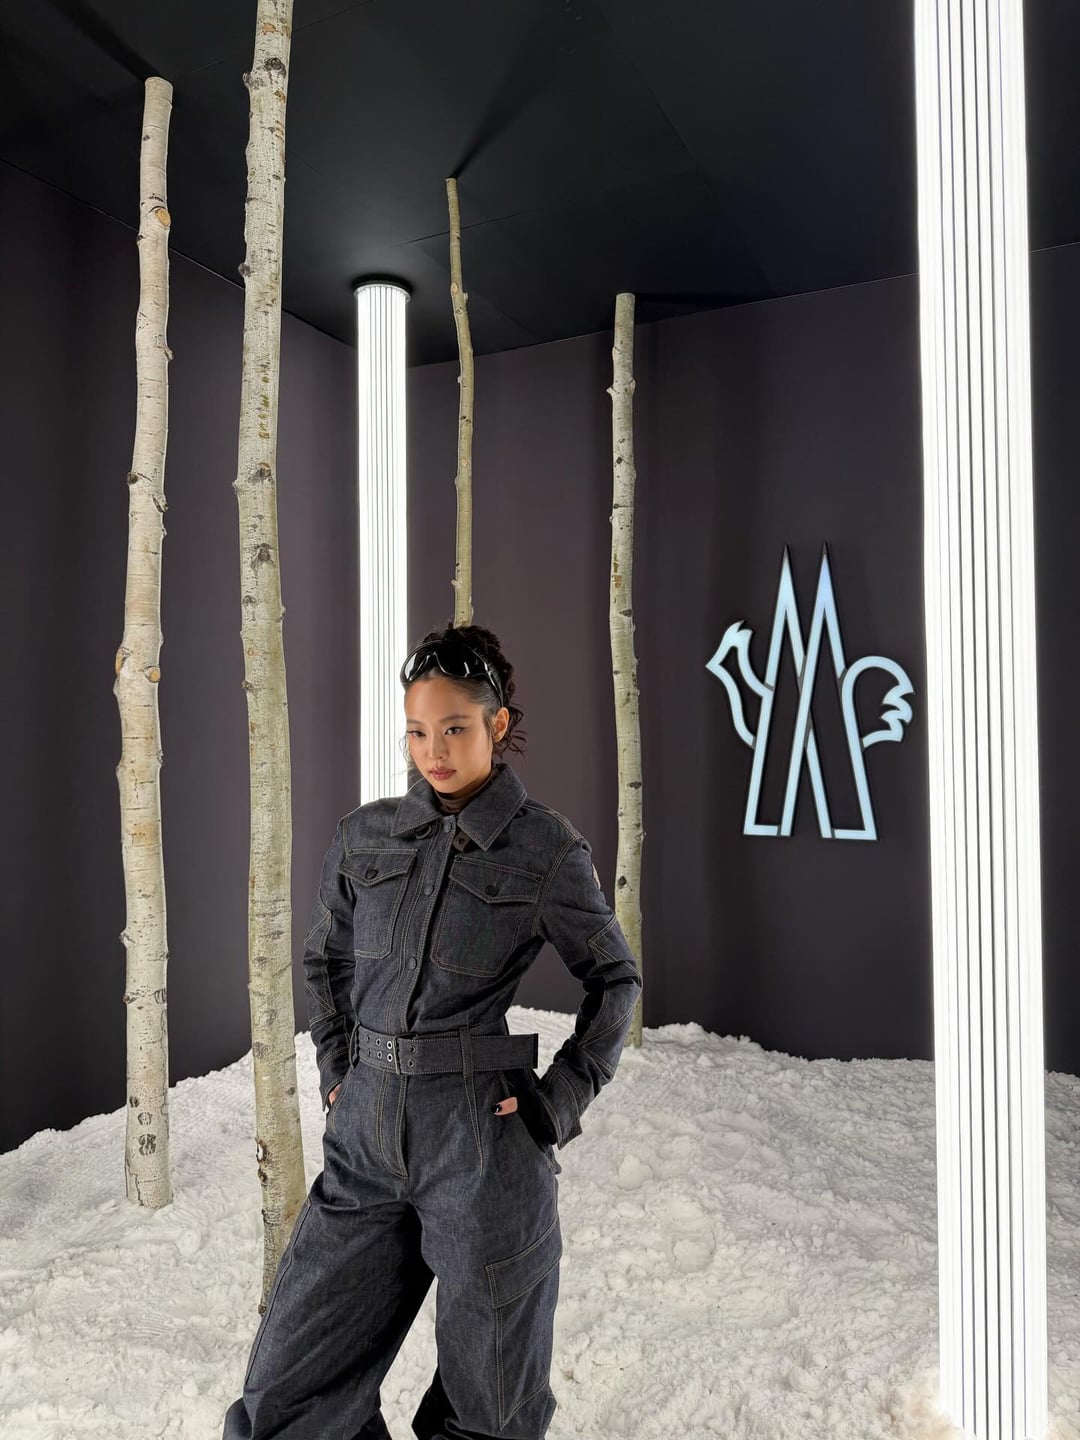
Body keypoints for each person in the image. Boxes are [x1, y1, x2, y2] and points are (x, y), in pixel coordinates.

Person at [222, 622, 643, 1440]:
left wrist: (557, 1102)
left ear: (497, 724)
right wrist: (340, 1075)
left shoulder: (546, 849)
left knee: (489, 1408)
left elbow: (614, 979)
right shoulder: (365, 835)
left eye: (454, 728)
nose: (433, 751)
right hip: (366, 1136)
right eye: (417, 731)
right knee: (286, 1396)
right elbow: (325, 961)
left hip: (480, 1144)